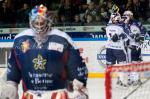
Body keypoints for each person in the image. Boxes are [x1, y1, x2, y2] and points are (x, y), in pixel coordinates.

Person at [0, 4, 88, 99]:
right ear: (30, 21)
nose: (39, 26)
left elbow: (77, 66)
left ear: (47, 21)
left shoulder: (63, 38)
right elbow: (13, 69)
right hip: (30, 95)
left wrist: (80, 87)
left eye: (41, 23)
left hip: (58, 94)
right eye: (36, 23)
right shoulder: (19, 39)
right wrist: (11, 85)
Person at [122, 10, 148, 86]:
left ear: (131, 16)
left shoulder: (137, 23)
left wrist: (141, 38)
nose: (126, 17)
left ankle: (136, 78)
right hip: (129, 47)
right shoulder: (123, 24)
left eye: (127, 15)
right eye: (125, 16)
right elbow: (123, 35)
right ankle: (131, 79)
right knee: (130, 63)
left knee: (137, 63)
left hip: (138, 47)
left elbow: (144, 31)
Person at [105, 13, 130, 86]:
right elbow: (126, 38)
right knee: (121, 66)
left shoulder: (107, 26)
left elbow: (112, 22)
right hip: (119, 49)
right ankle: (120, 81)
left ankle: (107, 82)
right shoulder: (121, 27)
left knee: (109, 66)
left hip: (109, 48)